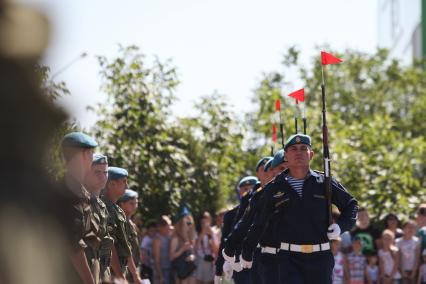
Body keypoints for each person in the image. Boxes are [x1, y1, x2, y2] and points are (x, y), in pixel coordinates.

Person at [241, 134, 359, 284]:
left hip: (320, 258)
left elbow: (351, 205)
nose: (299, 152)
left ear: (311, 155)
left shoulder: (324, 182)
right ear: (286, 155)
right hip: (288, 259)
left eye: (304, 149)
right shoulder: (275, 187)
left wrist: (340, 226)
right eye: (293, 149)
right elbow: (259, 221)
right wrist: (247, 250)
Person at [61, 132, 98, 284]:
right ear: (85, 154)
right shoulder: (69, 191)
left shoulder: (80, 190)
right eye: (91, 153)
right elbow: (74, 246)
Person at [216, 176, 259, 284]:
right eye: (245, 189)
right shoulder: (230, 216)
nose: (249, 191)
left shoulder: (263, 209)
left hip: (259, 260)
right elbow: (224, 242)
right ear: (239, 192)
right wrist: (219, 269)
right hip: (239, 264)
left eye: (251, 188)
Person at [83, 153, 114, 284]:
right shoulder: (81, 202)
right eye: (97, 172)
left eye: (105, 172)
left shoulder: (101, 204)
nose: (102, 177)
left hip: (100, 271)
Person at [101, 167, 133, 282]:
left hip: (120, 269)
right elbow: (111, 245)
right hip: (112, 273)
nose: (127, 186)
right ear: (111, 184)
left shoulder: (116, 209)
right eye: (124, 182)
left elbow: (125, 245)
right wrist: (120, 276)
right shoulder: (106, 208)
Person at [117, 189, 144, 283]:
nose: (135, 206)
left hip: (133, 270)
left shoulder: (131, 223)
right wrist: (135, 274)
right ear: (122, 204)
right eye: (131, 203)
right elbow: (125, 250)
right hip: (125, 271)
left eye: (136, 203)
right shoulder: (121, 223)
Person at [170, 206, 197, 284]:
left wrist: (192, 256)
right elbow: (171, 257)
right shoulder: (176, 238)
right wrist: (182, 249)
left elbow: (193, 253)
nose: (190, 226)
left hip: (190, 269)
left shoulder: (190, 236)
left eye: (190, 223)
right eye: (187, 223)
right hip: (181, 272)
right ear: (180, 223)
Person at [194, 212, 219, 284]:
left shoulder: (213, 232)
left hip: (211, 261)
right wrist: (202, 234)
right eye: (203, 221)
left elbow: (216, 249)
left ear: (210, 221)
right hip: (200, 261)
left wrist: (211, 234)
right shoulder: (197, 233)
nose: (205, 223)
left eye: (207, 220)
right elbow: (196, 248)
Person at [152, 216, 172, 284]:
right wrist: (160, 276)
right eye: (168, 225)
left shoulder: (168, 236)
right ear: (162, 227)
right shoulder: (157, 240)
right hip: (162, 272)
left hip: (169, 269)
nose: (170, 227)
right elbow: (156, 260)